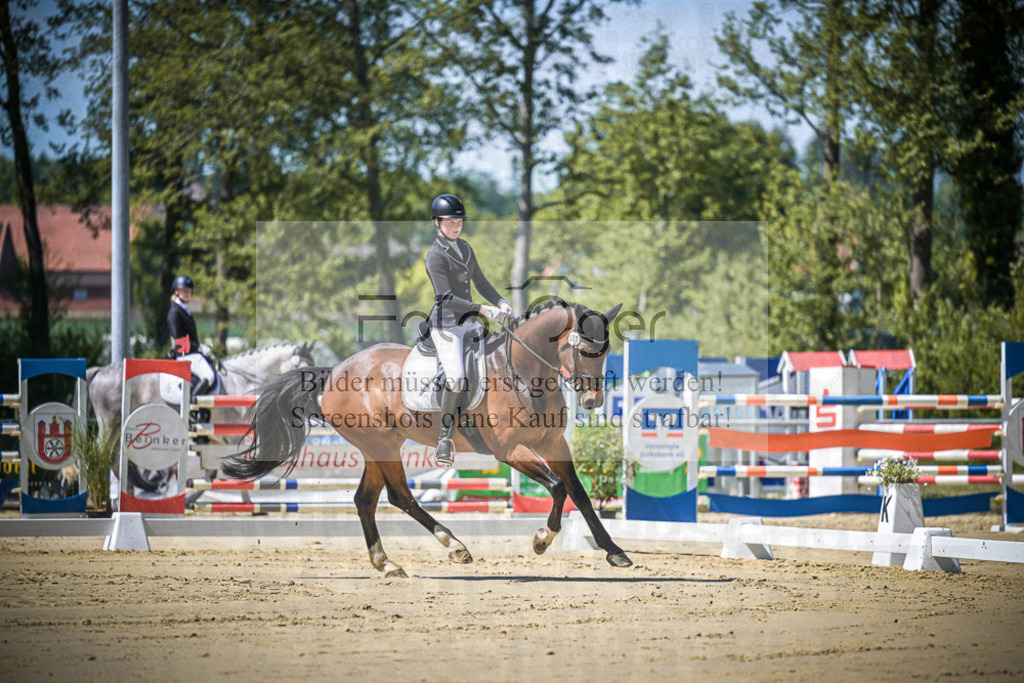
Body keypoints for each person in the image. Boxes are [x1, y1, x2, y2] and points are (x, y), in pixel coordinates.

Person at [425, 194, 512, 466]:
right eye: (450, 222)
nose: (456, 226)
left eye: (459, 221)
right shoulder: (435, 256)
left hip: (470, 324)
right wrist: (483, 310)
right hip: (446, 327)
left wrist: (500, 301)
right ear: (437, 223)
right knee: (458, 378)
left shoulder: (466, 248)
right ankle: (444, 439)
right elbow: (446, 298)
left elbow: (482, 283)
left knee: (498, 363)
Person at [167, 275, 217, 397]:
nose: (187, 294)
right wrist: (199, 348)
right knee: (209, 376)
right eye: (184, 291)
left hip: (192, 353)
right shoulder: (175, 312)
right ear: (176, 291)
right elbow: (180, 341)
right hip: (185, 354)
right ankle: (190, 405)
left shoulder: (184, 310)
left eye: (189, 291)